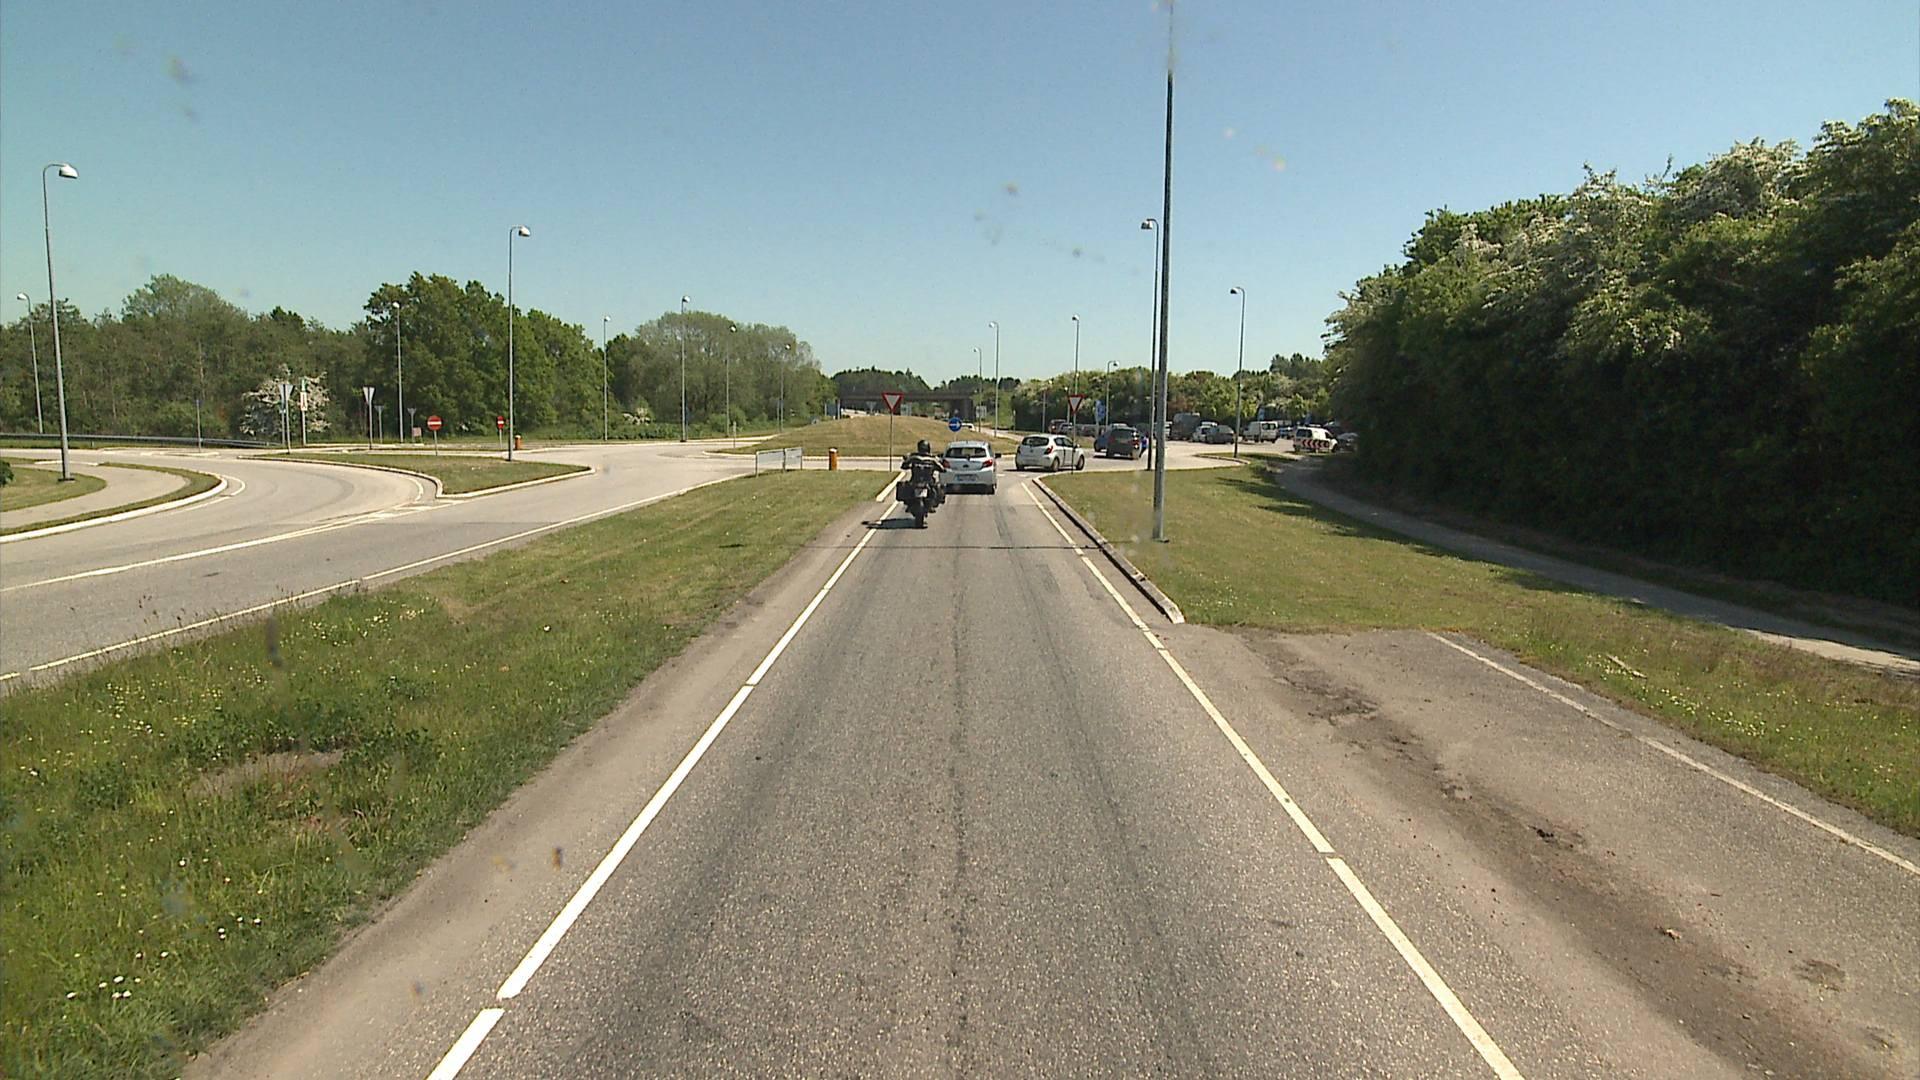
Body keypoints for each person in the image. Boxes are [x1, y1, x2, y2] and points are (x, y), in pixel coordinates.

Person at [902, 438, 947, 507]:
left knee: (938, 487)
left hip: (919, 481)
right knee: (939, 486)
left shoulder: (914, 457)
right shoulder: (932, 459)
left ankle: (932, 502)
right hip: (922, 481)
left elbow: (904, 465)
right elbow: (942, 468)